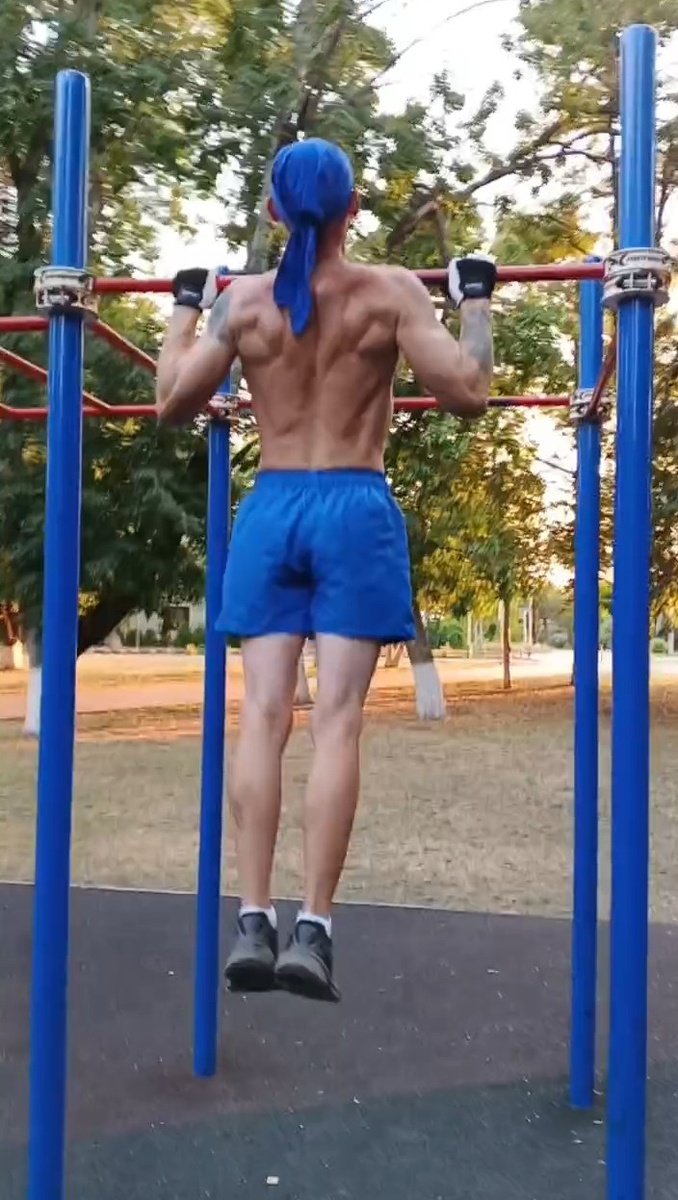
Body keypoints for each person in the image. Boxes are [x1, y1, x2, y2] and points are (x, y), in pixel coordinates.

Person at [156, 137, 496, 1003]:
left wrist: (185, 308)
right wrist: (475, 300)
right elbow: (468, 391)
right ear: (353, 210)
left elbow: (171, 402)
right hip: (353, 505)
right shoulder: (391, 293)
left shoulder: (243, 304)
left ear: (275, 212)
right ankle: (313, 930)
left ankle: (252, 919)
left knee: (263, 715)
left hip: (272, 509)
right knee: (336, 722)